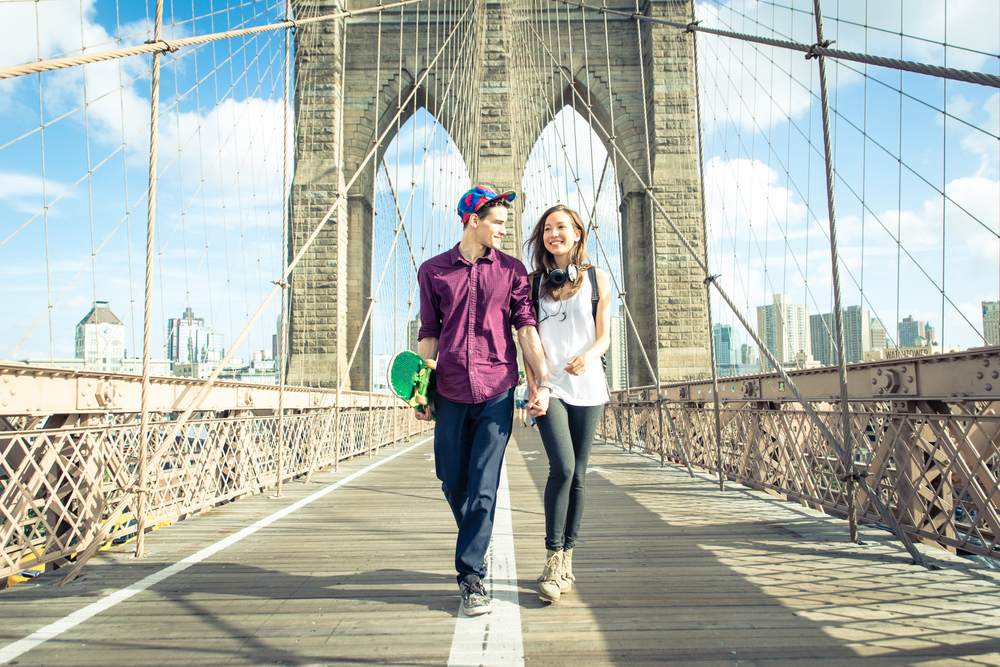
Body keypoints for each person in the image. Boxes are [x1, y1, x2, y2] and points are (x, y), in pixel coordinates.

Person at [416, 185, 551, 617]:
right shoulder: (433, 271)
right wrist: (421, 389)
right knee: (451, 478)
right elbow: (429, 333)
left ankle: (470, 575)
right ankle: (475, 540)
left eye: (506, 224)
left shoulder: (512, 271)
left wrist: (541, 382)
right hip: (450, 388)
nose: (504, 231)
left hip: (496, 388)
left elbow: (526, 328)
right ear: (473, 220)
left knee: (484, 485)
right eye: (498, 222)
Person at [524, 204, 611, 603]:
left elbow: (605, 337)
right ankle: (552, 557)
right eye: (546, 229)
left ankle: (568, 557)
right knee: (562, 467)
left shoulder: (597, 279)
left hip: (589, 387)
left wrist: (588, 357)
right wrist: (535, 386)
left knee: (580, 474)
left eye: (561, 227)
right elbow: (527, 343)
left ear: (577, 233)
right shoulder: (532, 285)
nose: (553, 234)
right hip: (551, 388)